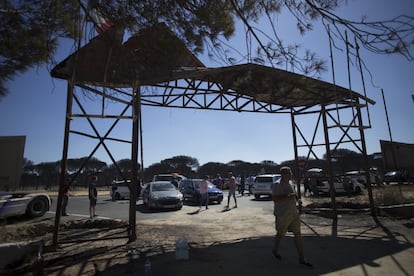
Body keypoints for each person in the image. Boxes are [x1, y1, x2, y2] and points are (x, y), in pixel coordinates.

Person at [272, 166, 312, 267]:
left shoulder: (291, 183)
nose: (291, 175)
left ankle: (302, 258)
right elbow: (275, 199)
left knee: (298, 234)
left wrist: (298, 201)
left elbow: (294, 194)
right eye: (288, 173)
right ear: (283, 174)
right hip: (282, 214)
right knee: (280, 234)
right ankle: (275, 250)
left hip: (293, 213)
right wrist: (288, 196)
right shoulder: (277, 184)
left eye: (290, 173)